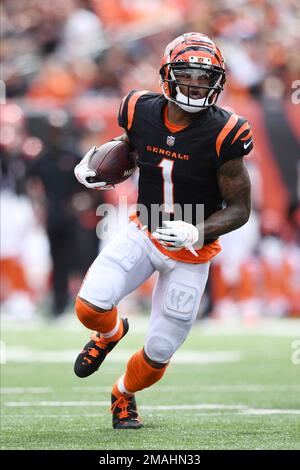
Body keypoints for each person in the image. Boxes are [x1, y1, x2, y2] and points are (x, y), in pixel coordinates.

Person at [73, 32, 253, 429]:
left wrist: (196, 231)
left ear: (218, 83)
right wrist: (102, 163)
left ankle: (122, 394)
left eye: (205, 79)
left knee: (158, 352)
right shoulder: (138, 108)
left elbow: (240, 208)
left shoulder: (228, 131)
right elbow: (134, 146)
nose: (195, 85)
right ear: (168, 75)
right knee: (90, 306)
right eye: (188, 75)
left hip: (192, 252)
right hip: (143, 230)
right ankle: (109, 333)